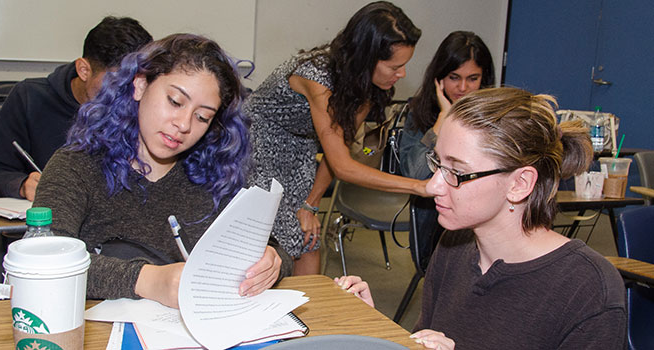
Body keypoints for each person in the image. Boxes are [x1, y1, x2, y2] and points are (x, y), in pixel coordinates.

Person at [338, 87, 627, 349]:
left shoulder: (589, 289)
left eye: (457, 172)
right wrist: (376, 330)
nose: (434, 185)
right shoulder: (455, 246)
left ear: (519, 184)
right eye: (437, 163)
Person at [33, 34, 292, 308]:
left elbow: (271, 249)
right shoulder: (76, 166)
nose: (183, 124)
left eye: (202, 117)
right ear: (140, 85)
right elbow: (45, 260)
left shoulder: (214, 175)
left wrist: (272, 261)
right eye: (175, 101)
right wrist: (149, 281)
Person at [244, 1, 426, 275]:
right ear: (367, 58)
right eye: (394, 66)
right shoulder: (317, 78)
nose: (402, 74)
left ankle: (309, 314)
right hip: (255, 138)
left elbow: (337, 151)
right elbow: (342, 165)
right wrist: (419, 186)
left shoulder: (364, 85)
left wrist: (310, 204)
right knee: (277, 239)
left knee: (309, 237)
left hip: (299, 144)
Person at [0, 16, 152, 201]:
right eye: (117, 82)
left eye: (141, 81)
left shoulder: (146, 105)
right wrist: (21, 185)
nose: (132, 93)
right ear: (84, 70)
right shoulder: (30, 98)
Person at [398, 31, 495, 272]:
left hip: (483, 221)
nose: (463, 87)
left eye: (473, 78)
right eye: (454, 77)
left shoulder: (494, 116)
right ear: (439, 78)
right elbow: (416, 173)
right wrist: (443, 120)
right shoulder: (419, 113)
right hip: (434, 222)